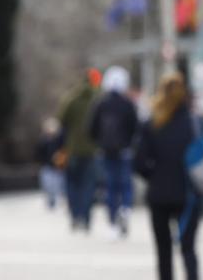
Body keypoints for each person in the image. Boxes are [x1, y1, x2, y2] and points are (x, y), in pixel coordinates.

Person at [133, 71, 200, 280]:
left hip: (159, 194)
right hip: (187, 193)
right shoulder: (192, 123)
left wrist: (154, 175)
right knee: (188, 247)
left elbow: (138, 162)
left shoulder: (152, 123)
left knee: (163, 250)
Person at [91, 65, 140, 238]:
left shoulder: (101, 104)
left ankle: (112, 221)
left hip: (106, 151)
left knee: (110, 186)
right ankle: (125, 208)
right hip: (125, 151)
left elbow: (91, 128)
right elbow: (136, 127)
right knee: (125, 184)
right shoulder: (128, 104)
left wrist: (99, 143)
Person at [58, 69, 101, 231]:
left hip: (73, 149)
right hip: (91, 150)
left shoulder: (71, 99)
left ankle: (75, 215)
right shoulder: (96, 99)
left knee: (73, 184)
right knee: (88, 185)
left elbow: (61, 120)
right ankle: (87, 217)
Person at [35, 117, 65, 209]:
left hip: (57, 167)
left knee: (57, 185)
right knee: (47, 185)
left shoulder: (59, 140)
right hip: (46, 166)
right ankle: (50, 200)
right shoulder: (42, 141)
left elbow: (63, 152)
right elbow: (38, 154)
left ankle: (57, 199)